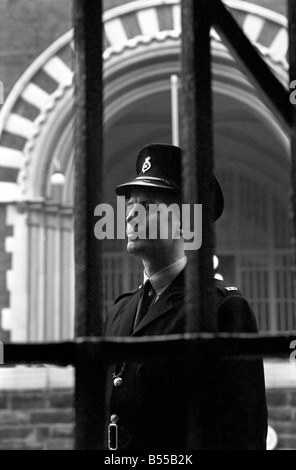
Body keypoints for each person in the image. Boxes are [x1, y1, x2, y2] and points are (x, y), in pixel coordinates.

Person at [104, 143, 268, 450]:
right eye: (129, 206)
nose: (129, 216)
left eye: (147, 206)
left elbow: (243, 434)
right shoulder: (119, 310)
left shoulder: (220, 307)